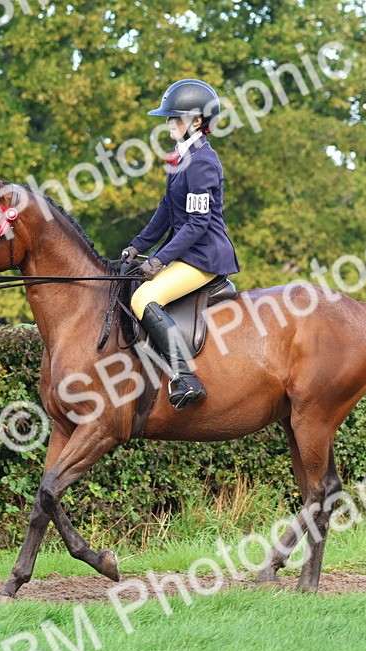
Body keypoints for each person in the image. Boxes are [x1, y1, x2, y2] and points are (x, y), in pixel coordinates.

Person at [121, 78, 241, 410]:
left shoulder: (203, 160)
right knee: (128, 283)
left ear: (197, 122)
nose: (169, 123)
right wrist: (137, 245)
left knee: (145, 297)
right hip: (186, 251)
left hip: (204, 256)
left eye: (175, 117)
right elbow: (166, 209)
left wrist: (158, 259)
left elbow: (198, 224)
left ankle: (186, 377)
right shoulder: (178, 155)